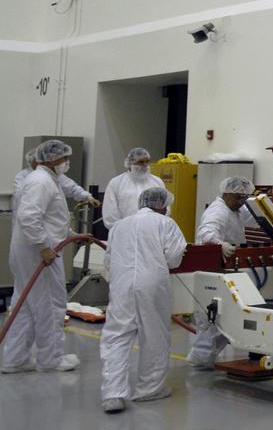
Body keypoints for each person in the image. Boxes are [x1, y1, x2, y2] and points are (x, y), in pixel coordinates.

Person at [99, 187, 187, 412]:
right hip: (152, 285)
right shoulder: (166, 223)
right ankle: (149, 389)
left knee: (116, 336)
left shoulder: (119, 226)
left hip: (121, 285)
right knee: (154, 335)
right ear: (161, 205)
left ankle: (113, 394)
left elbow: (108, 260)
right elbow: (174, 258)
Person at [2, 139, 80, 373]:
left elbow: (49, 218)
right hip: (39, 254)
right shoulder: (41, 181)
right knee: (51, 305)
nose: (67, 162)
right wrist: (43, 247)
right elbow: (29, 217)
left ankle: (15, 359)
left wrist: (69, 234)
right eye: (65, 158)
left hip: (29, 252)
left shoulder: (45, 179)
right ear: (52, 159)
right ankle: (51, 359)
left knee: (24, 306)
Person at [187, 175, 256, 368]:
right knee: (213, 318)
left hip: (227, 268)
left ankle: (203, 359)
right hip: (213, 269)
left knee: (224, 316)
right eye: (238, 197)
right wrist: (220, 244)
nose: (241, 202)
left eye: (244, 198)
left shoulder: (235, 209)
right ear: (226, 194)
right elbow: (206, 233)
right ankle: (199, 359)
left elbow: (254, 215)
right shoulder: (218, 211)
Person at [14, 148, 102, 213]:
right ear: (32, 162)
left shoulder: (55, 175)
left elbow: (72, 188)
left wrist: (88, 197)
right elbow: (21, 199)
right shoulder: (23, 177)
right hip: (34, 218)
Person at [102, 148, 164, 230]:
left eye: (147, 161)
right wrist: (121, 230)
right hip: (124, 231)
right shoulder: (116, 183)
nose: (145, 165)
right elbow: (110, 213)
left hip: (152, 231)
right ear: (130, 163)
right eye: (141, 162)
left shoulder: (157, 182)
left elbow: (165, 209)